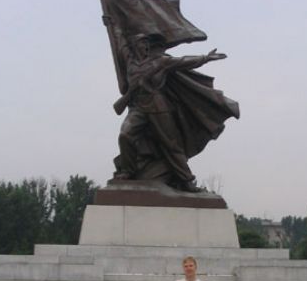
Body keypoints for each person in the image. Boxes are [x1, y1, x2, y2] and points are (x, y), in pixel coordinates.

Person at [102, 15, 238, 192]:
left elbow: (183, 61)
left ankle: (187, 181)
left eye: (146, 44)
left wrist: (206, 58)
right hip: (138, 109)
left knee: (171, 145)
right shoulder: (130, 62)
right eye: (141, 44)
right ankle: (127, 171)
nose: (145, 47)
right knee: (125, 135)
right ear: (135, 47)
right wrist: (112, 23)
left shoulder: (160, 62)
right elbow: (119, 41)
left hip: (159, 108)